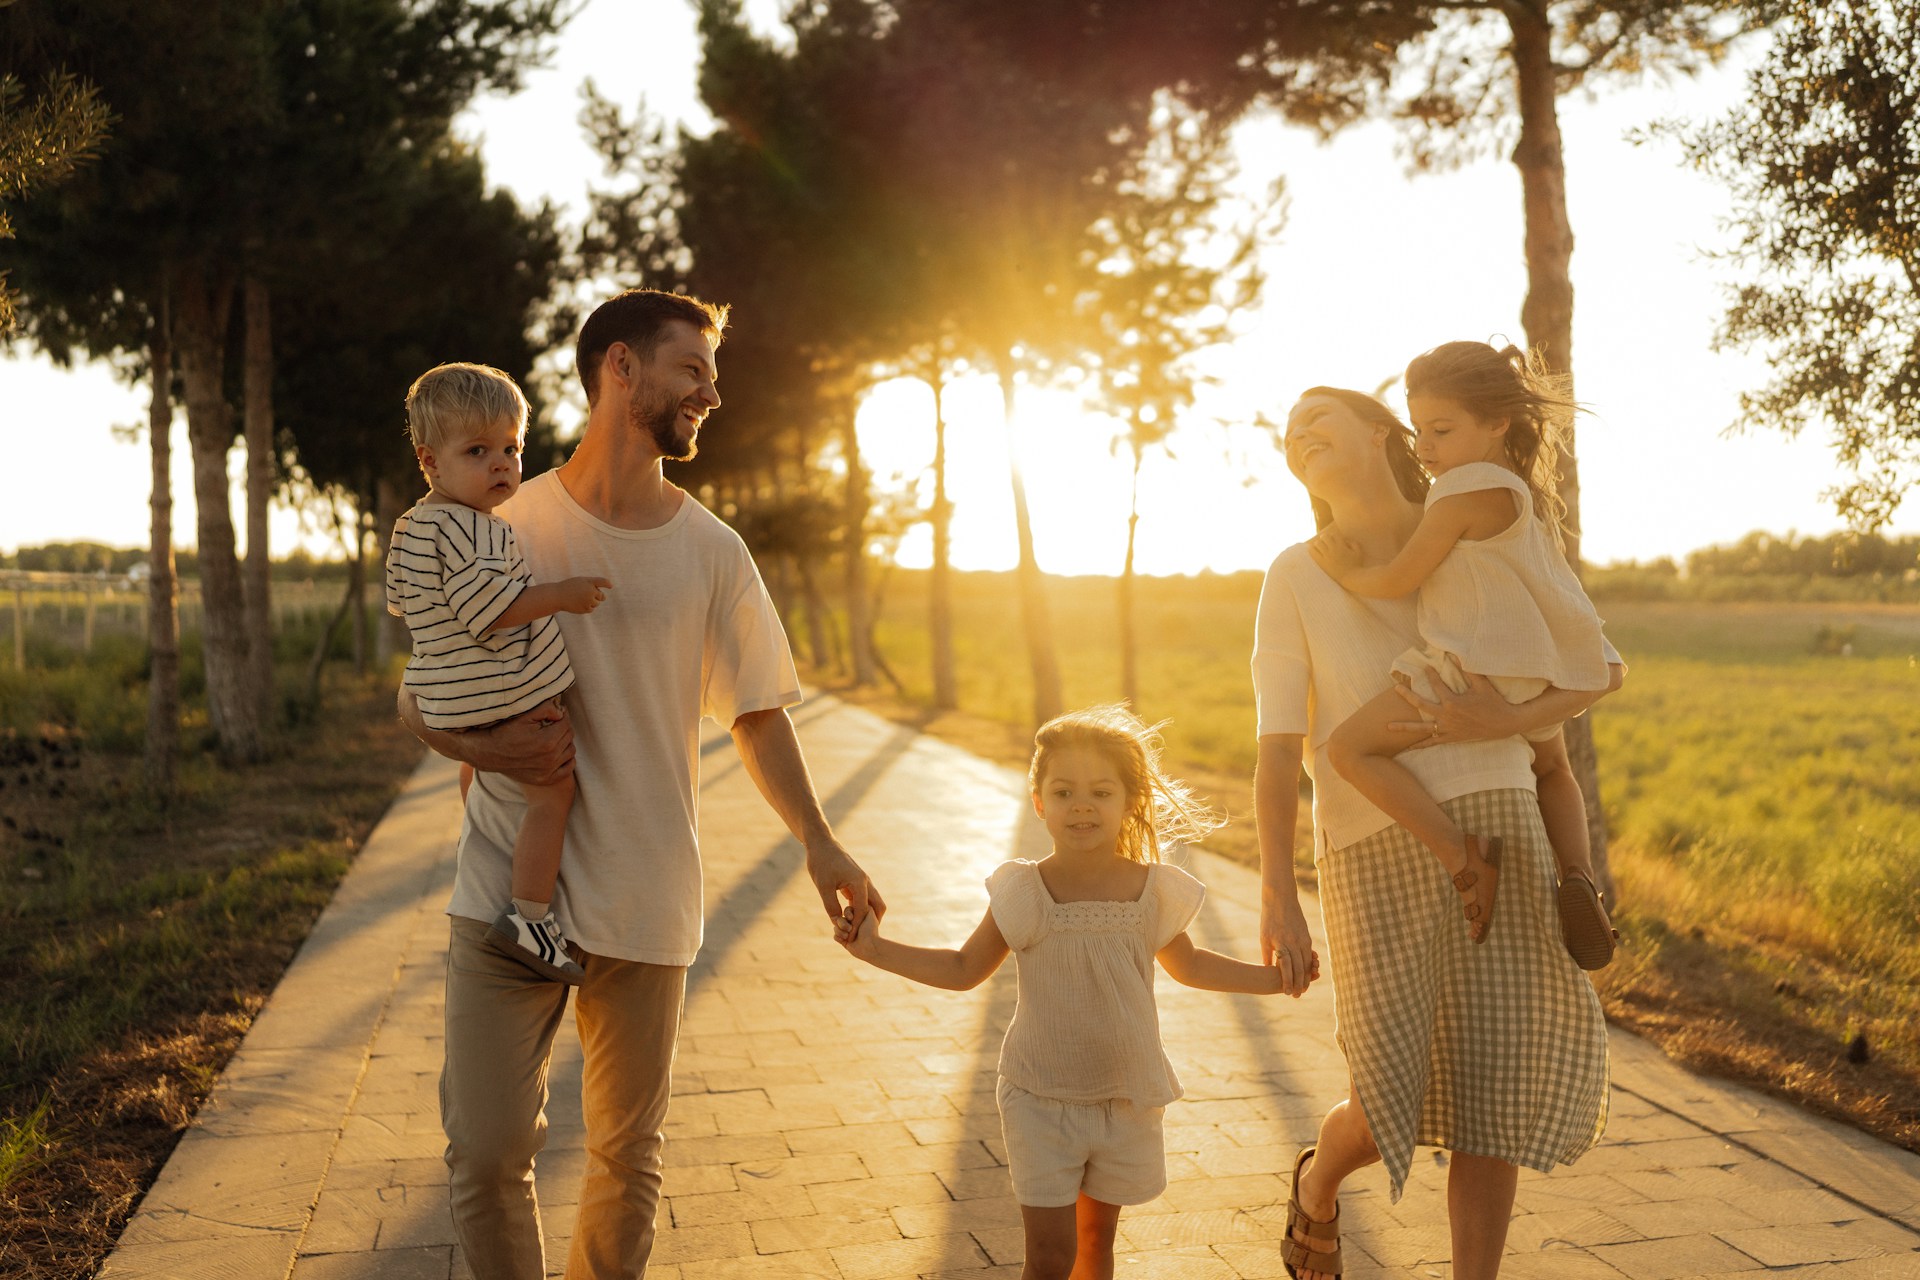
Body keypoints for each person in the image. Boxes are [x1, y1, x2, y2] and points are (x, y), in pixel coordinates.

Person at [397, 289, 884, 1280]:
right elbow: (420, 693)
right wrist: (488, 754)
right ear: (620, 367)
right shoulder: (501, 521)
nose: (713, 391)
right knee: (486, 1149)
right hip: (504, 896)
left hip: (646, 894)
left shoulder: (712, 550)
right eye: (693, 369)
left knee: (625, 1157)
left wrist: (819, 838)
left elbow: (755, 710)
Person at [1254, 386, 1623, 1280]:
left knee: (1489, 1093)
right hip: (1370, 848)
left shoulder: (1473, 526)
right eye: (1291, 434)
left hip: (1502, 826)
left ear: (1385, 433)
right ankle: (1318, 1185)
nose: (1300, 436)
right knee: (1385, 1097)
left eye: (1320, 418)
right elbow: (1278, 749)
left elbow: (1553, 714)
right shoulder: (1297, 573)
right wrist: (1274, 889)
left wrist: (1572, 864)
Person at [834, 705, 1288, 1280]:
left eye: (1101, 792)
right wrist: (876, 948)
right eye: (1065, 791)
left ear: (1129, 802)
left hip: (1124, 1099)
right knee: (1050, 1258)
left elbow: (1191, 965)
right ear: (1040, 801)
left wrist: (1275, 979)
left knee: (1096, 1249)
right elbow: (962, 967)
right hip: (1040, 1097)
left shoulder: (1152, 892)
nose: (1082, 805)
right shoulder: (1025, 891)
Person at [1306, 342, 1617, 969]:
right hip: (1531, 676)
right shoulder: (1524, 500)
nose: (1425, 448)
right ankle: (1579, 876)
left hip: (1466, 671)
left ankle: (1462, 858)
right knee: (1553, 769)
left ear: (1497, 423)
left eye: (1442, 431)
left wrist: (1349, 572)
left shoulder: (1462, 488)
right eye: (1419, 430)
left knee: (1347, 750)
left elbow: (1400, 577)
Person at [385, 362, 612, 984]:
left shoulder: (414, 526)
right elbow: (494, 612)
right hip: (505, 691)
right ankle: (530, 916)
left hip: (455, 695)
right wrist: (561, 593)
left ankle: (485, 836)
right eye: (478, 450)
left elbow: (405, 602)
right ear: (430, 462)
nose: (501, 465)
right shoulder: (473, 529)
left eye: (511, 447)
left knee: (481, 771)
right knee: (551, 793)